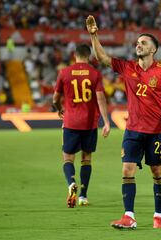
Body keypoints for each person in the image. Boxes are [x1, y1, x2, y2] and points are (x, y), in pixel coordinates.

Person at [86, 15, 161, 229]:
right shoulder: (127, 67)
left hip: (156, 132)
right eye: (138, 43)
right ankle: (129, 216)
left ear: (153, 50)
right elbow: (103, 58)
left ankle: (158, 216)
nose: (138, 45)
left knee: (157, 172)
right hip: (132, 131)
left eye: (143, 43)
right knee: (127, 170)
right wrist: (94, 35)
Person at [53, 44, 110, 208]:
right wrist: (106, 122)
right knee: (86, 159)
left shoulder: (64, 72)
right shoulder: (95, 74)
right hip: (90, 122)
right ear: (89, 56)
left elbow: (55, 98)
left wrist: (59, 109)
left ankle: (71, 183)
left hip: (71, 122)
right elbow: (100, 99)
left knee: (68, 158)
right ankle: (83, 196)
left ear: (74, 55)